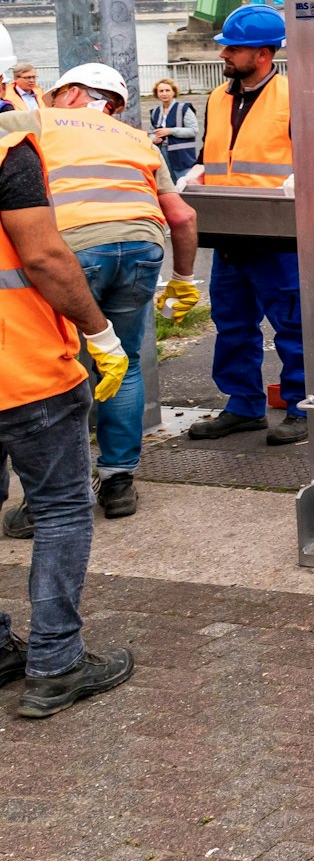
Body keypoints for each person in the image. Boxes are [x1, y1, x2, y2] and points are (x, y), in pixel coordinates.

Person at [1, 65, 199, 534]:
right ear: (115, 103)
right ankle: (118, 481)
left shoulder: (34, 122)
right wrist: (184, 279)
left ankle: (47, 499)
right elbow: (182, 216)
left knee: (63, 365)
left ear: (70, 92)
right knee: (124, 361)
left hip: (73, 251)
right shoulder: (137, 139)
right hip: (141, 248)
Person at [0, 120, 137, 717]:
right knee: (60, 509)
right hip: (23, 369)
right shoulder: (8, 151)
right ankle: (56, 663)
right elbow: (45, 256)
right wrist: (99, 332)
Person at [183, 4, 308, 447]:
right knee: (232, 322)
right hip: (230, 231)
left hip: (278, 233)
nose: (224, 55)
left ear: (263, 53)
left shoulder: (295, 95)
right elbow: (213, 154)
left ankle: (301, 406)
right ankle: (243, 405)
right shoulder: (218, 98)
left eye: (233, 48)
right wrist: (197, 173)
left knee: (293, 324)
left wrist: (300, 180)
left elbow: (312, 158)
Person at [147, 78, 203, 184]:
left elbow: (194, 130)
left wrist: (171, 131)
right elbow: (150, 132)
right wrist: (153, 138)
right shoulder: (155, 112)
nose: (164, 94)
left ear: (174, 92)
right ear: (157, 93)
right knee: (169, 185)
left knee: (185, 185)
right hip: (162, 154)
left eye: (167, 90)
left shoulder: (184, 109)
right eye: (161, 91)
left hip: (182, 157)